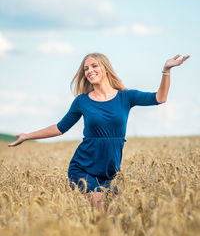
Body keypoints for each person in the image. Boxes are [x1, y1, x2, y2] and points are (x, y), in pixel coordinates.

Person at [8, 53, 190, 210]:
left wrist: (166, 70)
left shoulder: (126, 97)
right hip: (83, 168)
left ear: (105, 68)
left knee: (110, 217)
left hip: (111, 172)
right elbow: (59, 128)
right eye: (86, 68)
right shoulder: (82, 101)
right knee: (100, 212)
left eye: (94, 66)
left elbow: (160, 97)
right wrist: (27, 136)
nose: (89, 70)